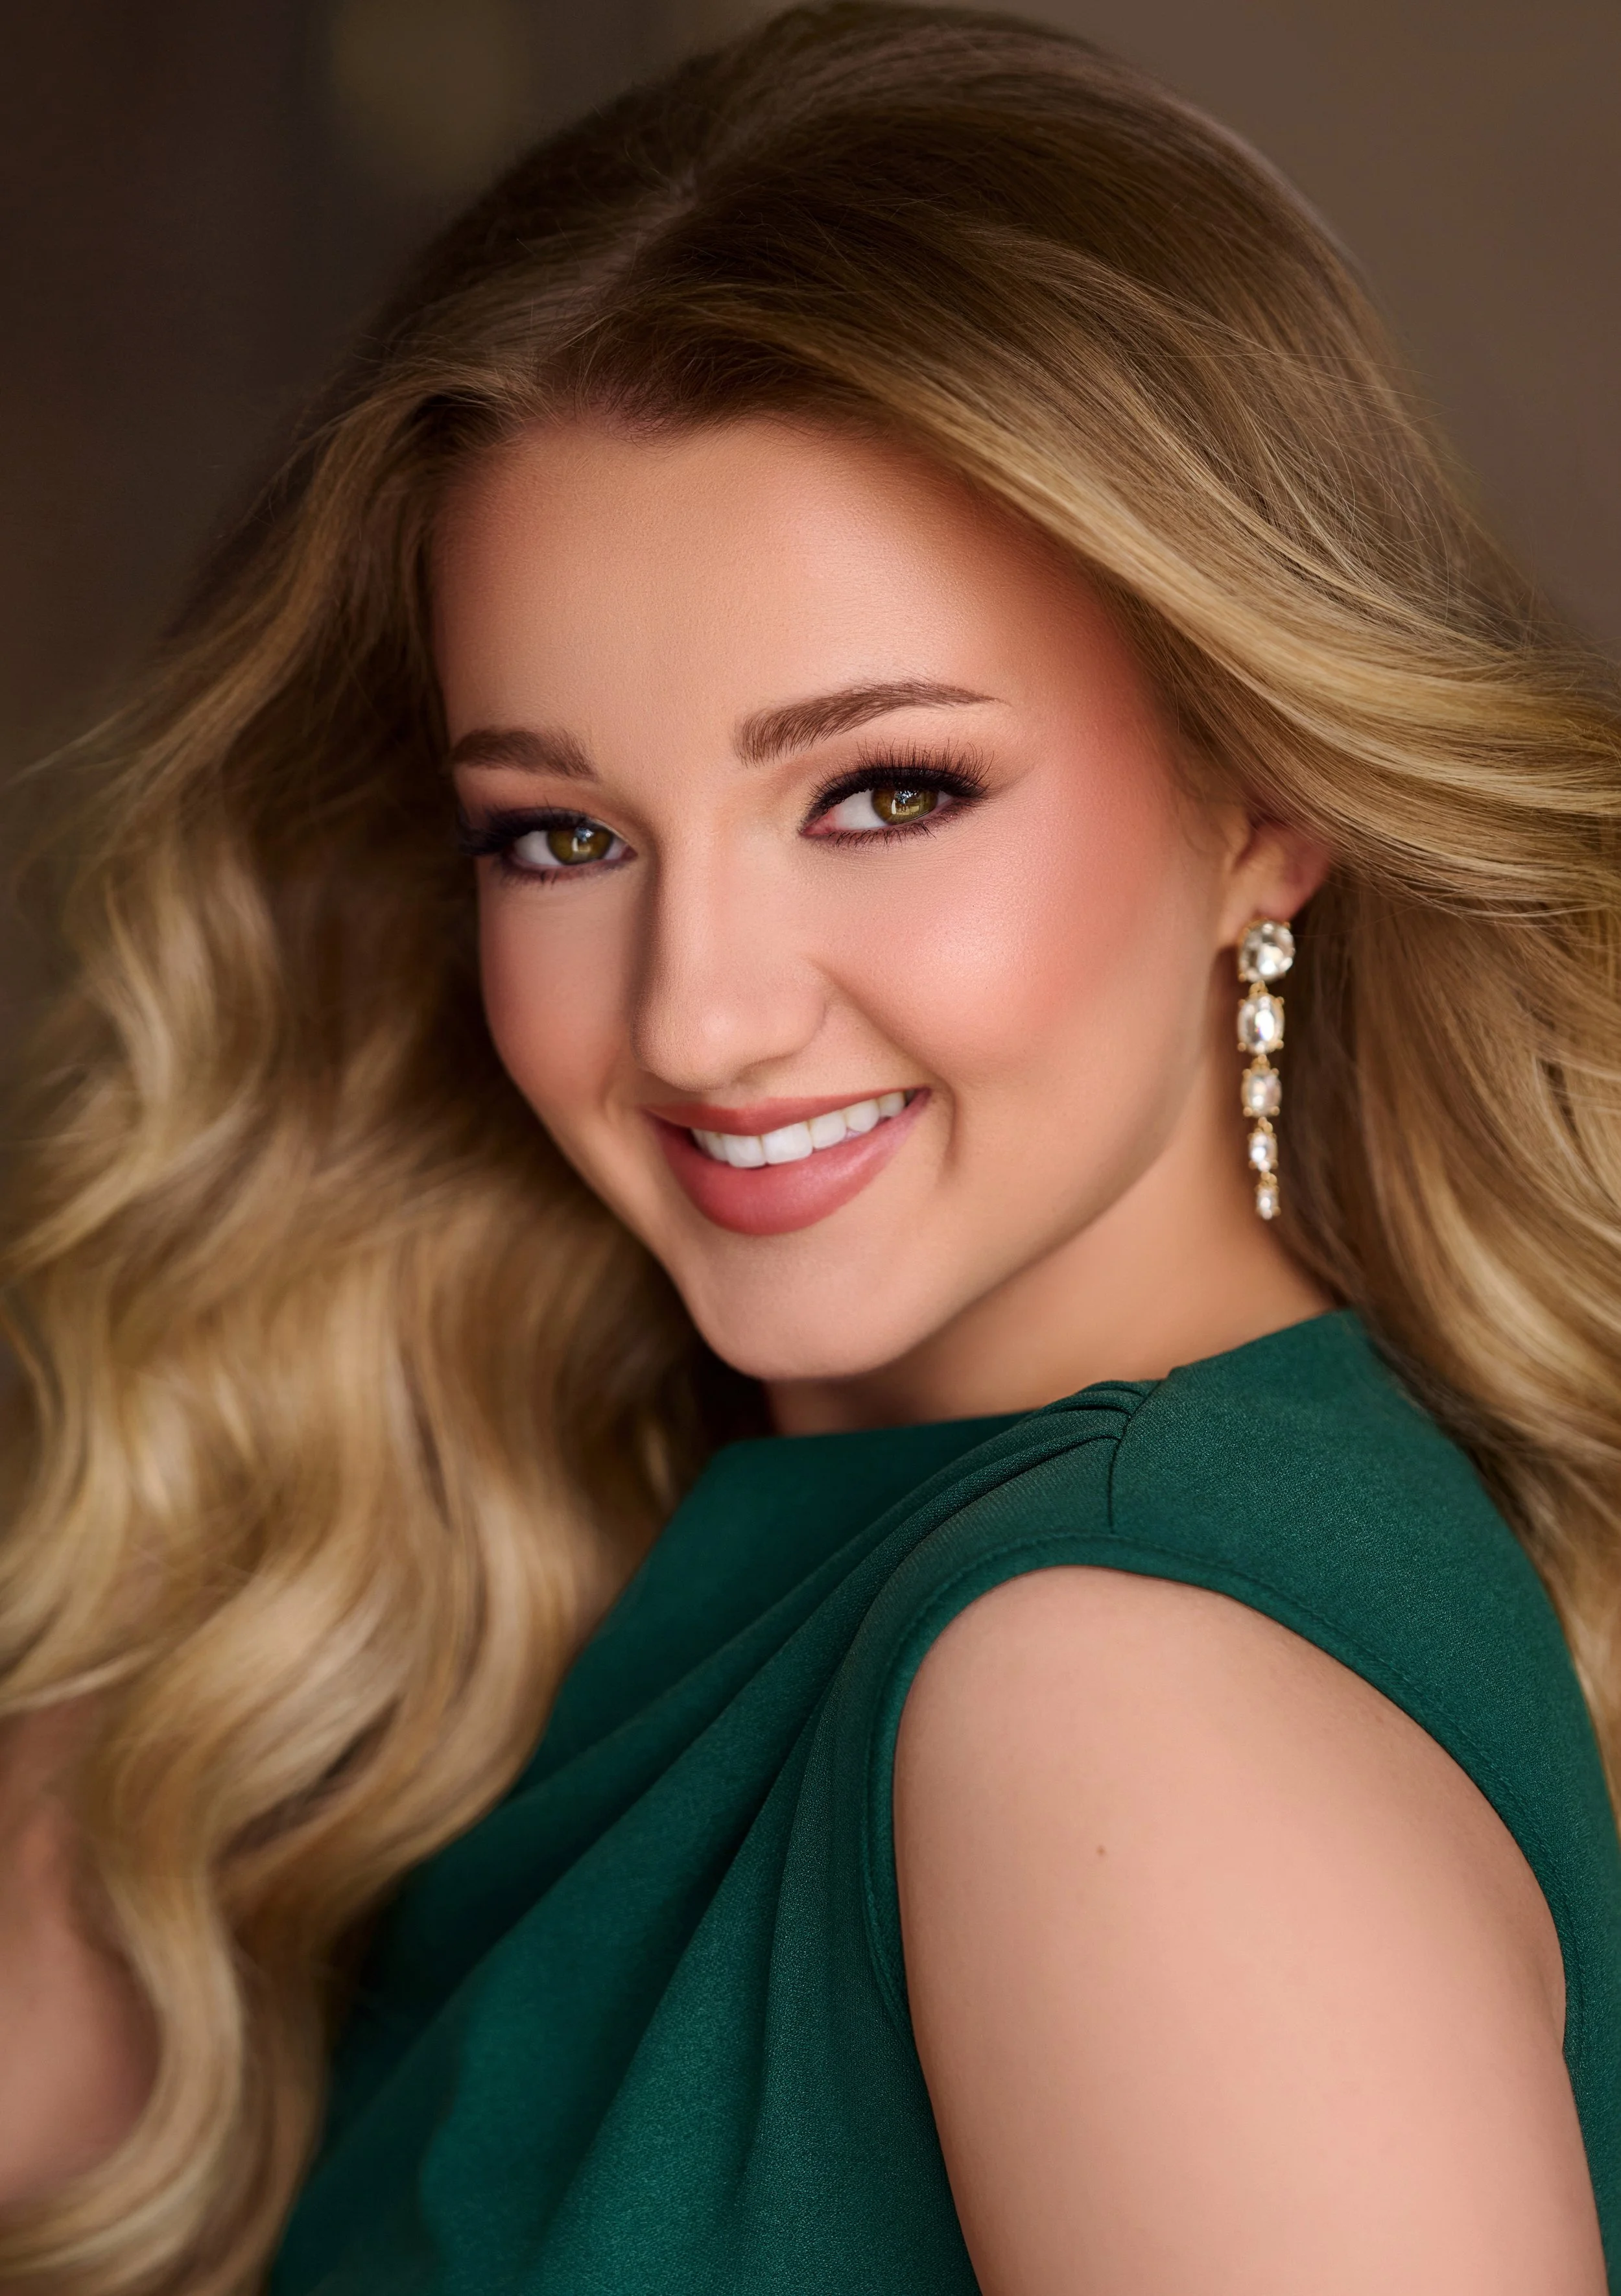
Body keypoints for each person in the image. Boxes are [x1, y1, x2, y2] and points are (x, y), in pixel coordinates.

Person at [2, 3, 1619, 2289]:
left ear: (1270, 802)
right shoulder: (592, 1560)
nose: (697, 1015)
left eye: (883, 793)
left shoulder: (1115, 1703)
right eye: (558, 830)